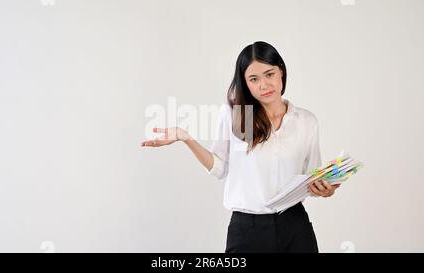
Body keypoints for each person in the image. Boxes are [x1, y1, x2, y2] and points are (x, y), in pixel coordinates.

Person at [141, 41, 340, 253]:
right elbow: (220, 168)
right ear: (245, 83)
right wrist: (186, 138)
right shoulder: (236, 115)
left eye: (269, 74)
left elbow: (311, 178)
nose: (264, 85)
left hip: (295, 226)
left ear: (281, 71)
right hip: (248, 231)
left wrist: (324, 190)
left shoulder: (306, 121)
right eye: (254, 79)